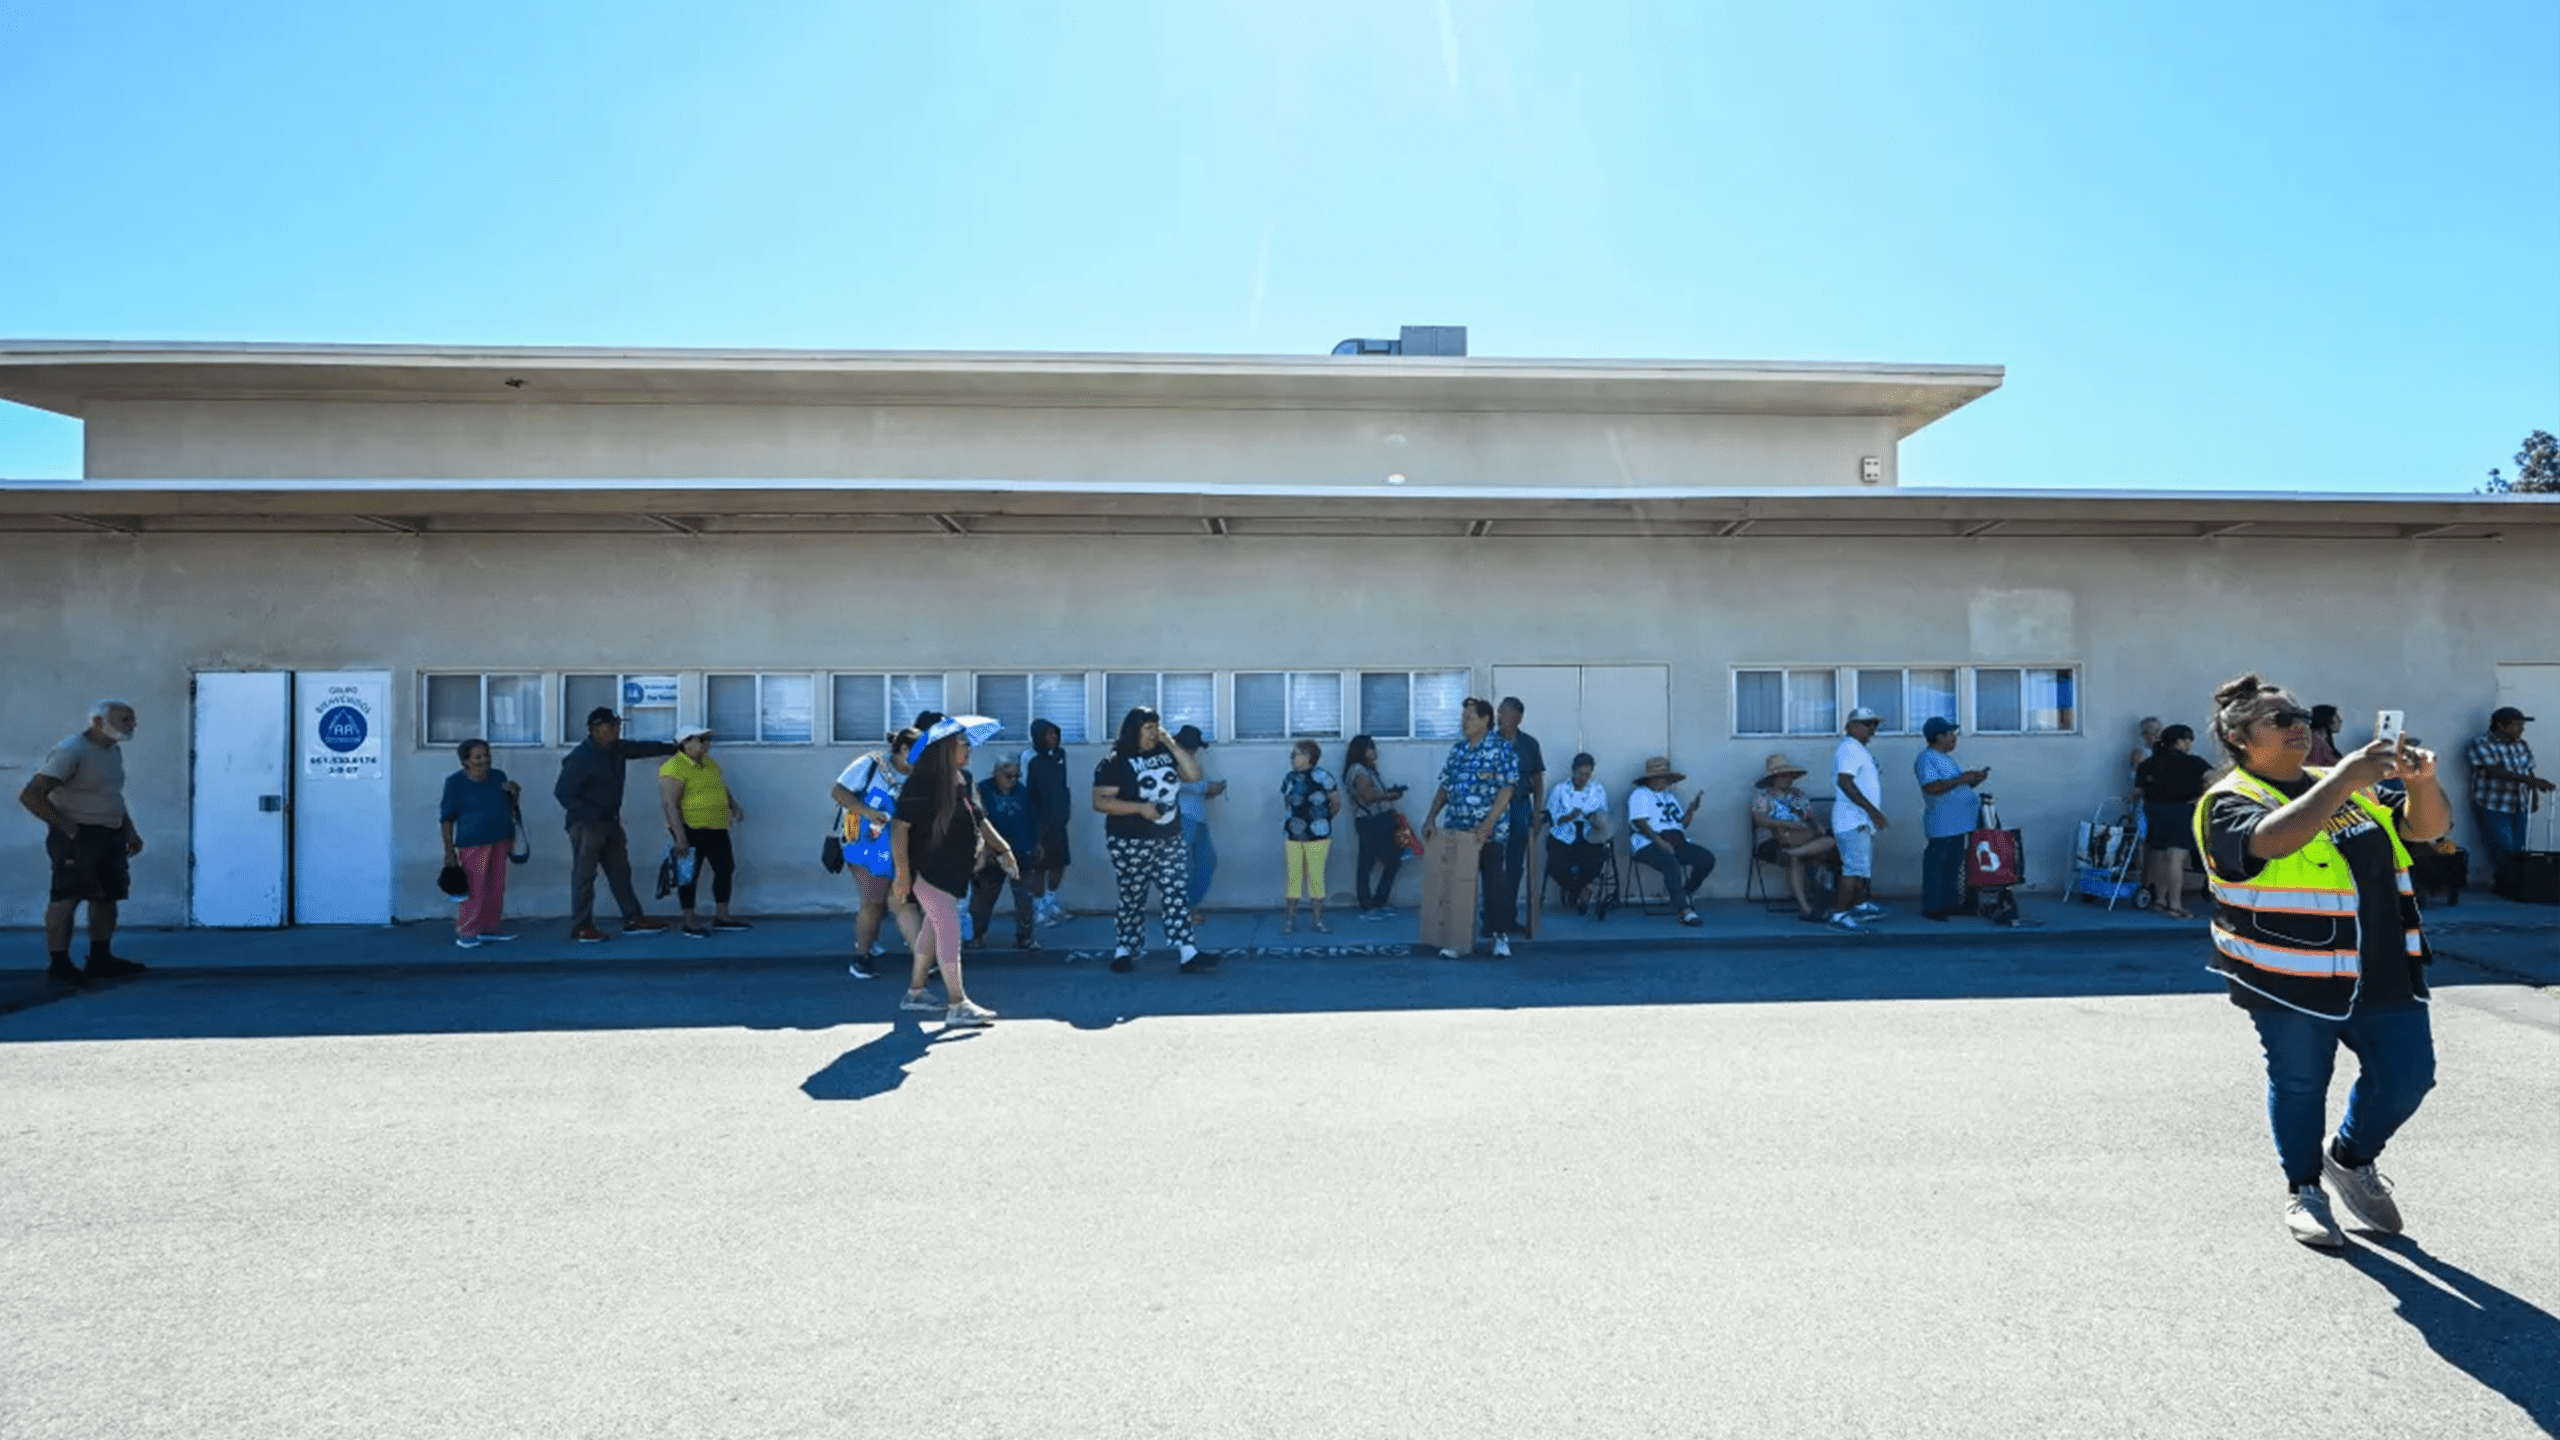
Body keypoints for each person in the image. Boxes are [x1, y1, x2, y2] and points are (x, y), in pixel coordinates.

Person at [2197, 673, 2449, 1249]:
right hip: (2290, 978)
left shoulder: (2346, 786)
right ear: (2239, 738)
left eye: (2301, 716)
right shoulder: (2229, 799)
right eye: (2279, 720)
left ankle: (2351, 1158)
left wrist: (2422, 782)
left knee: (2410, 1078)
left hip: (2382, 967)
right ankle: (2304, 1190)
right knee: (2300, 1083)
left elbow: (2428, 828)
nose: (2298, 727)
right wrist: (2343, 778)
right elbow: (2270, 842)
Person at [891, 721, 1013, 1027]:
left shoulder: (963, 779)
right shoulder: (922, 782)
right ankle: (958, 1003)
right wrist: (903, 873)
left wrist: (1003, 849)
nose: (968, 748)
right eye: (962, 743)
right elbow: (899, 828)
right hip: (928, 870)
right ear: (945, 748)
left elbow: (979, 818)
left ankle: (915, 994)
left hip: (953, 870)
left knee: (933, 929)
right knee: (948, 928)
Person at [18, 699, 148, 984]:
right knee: (67, 897)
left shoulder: (112, 751)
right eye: (124, 720)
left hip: (110, 833)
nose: (132, 725)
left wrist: (130, 831)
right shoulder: (72, 751)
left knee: (107, 896)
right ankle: (60, 963)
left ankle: (100, 959)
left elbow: (111, 794)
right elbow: (31, 795)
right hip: (78, 836)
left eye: (132, 720)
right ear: (98, 721)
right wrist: (66, 827)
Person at [1092, 707, 1217, 973]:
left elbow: (1194, 775)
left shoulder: (1164, 753)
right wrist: (1139, 808)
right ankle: (1124, 950)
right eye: (1148, 728)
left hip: (1168, 837)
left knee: (1175, 892)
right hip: (1129, 840)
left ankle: (1188, 953)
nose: (1153, 732)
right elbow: (1100, 802)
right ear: (1134, 729)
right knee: (1132, 896)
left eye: (1156, 727)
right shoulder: (1116, 761)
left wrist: (1171, 743)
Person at [553, 706, 680, 943]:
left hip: (610, 823)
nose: (615, 729)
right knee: (584, 877)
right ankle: (582, 926)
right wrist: (591, 816)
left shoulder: (617, 748)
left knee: (621, 873)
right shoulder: (581, 757)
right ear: (595, 730)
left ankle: (633, 919)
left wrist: (674, 748)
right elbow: (563, 793)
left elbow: (641, 748)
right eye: (610, 726)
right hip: (586, 826)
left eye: (617, 725)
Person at [1420, 697, 1519, 959]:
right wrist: (1431, 818)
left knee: (1494, 885)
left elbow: (1506, 789)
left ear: (1485, 719)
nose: (1464, 722)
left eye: (1470, 717)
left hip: (1490, 833)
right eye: (1463, 717)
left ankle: (1499, 937)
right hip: (1458, 831)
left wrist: (1487, 825)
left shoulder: (1501, 749)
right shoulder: (1458, 751)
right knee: (1456, 886)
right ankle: (1458, 939)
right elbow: (1445, 787)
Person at [833, 728, 930, 981]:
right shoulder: (870, 764)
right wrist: (865, 811)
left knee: (903, 903)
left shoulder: (922, 775)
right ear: (905, 750)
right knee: (873, 902)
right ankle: (862, 958)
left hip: (902, 847)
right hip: (866, 845)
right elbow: (839, 792)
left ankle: (923, 960)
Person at [657, 724, 749, 938]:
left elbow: (719, 786)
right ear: (686, 743)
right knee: (688, 876)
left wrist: (732, 805)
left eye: (707, 740)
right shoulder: (674, 767)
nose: (707, 744)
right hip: (690, 829)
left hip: (717, 827)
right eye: (701, 740)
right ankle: (690, 921)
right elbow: (670, 804)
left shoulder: (709, 764)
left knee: (725, 869)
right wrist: (680, 837)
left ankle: (723, 916)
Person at [440, 739, 523, 949]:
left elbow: (508, 807)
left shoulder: (499, 777)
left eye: (486, 755)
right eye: (478, 757)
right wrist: (449, 851)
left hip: (500, 838)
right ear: (465, 761)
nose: (484, 760)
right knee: (474, 888)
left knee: (495, 886)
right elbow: (446, 818)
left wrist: (515, 794)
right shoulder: (456, 783)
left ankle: (489, 928)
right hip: (473, 843)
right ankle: (467, 931)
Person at [1914, 717, 1989, 922]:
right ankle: (1933, 907)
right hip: (1943, 824)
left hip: (1958, 823)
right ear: (1939, 737)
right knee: (1937, 865)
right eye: (1950, 734)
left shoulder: (1945, 758)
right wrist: (1962, 779)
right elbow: (1933, 787)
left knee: (1952, 866)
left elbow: (1953, 788)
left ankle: (1950, 904)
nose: (1954, 738)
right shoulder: (1927, 758)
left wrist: (1972, 781)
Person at [2132, 723, 2210, 919]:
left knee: (2158, 855)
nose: (2191, 744)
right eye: (2189, 740)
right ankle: (2175, 906)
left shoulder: (2148, 764)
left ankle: (2160, 901)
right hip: (2180, 810)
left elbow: (2138, 792)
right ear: (2180, 741)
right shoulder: (2194, 763)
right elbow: (2215, 777)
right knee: (2175, 858)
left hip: (2154, 810)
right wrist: (2202, 797)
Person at [1750, 753, 1838, 924]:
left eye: (1789, 776)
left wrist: (1816, 823)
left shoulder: (1798, 795)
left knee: (1831, 842)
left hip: (1803, 839)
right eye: (1784, 776)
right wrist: (1785, 825)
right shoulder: (1763, 796)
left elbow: (1811, 815)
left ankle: (1795, 852)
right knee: (1798, 860)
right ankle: (1805, 907)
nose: (1788, 780)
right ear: (1774, 778)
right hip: (1774, 841)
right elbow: (1759, 819)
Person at [2463, 705, 2550, 877]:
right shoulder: (2481, 743)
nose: (2522, 729)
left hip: (2519, 803)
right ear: (2501, 726)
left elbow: (2528, 770)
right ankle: (2505, 882)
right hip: (2494, 803)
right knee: (2503, 846)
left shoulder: (2521, 745)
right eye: (2517, 725)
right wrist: (2532, 781)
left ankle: (2516, 883)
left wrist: (2534, 795)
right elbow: (2495, 771)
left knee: (2519, 848)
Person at [1626, 757, 1713, 926]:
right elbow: (1640, 823)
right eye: (1662, 778)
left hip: (1676, 840)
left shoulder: (1670, 797)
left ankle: (1684, 893)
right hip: (1648, 843)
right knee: (1670, 863)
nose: (1666, 782)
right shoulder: (1640, 794)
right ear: (1651, 778)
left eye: (1667, 778)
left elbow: (1681, 825)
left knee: (1706, 859)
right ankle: (1684, 910)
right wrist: (1659, 841)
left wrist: (1691, 811)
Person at [970, 755, 1041, 952]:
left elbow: (1032, 818)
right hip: (993, 853)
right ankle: (977, 935)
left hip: (1022, 850)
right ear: (997, 772)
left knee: (1025, 898)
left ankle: (1024, 938)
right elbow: (977, 821)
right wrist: (983, 848)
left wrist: (1037, 844)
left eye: (1017, 775)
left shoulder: (1023, 792)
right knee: (984, 897)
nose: (1013, 780)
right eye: (1009, 775)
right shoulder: (982, 790)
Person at [1827, 706, 1889, 930]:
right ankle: (1840, 915)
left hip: (1861, 821)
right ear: (1851, 726)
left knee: (1862, 867)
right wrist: (1873, 811)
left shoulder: (1859, 749)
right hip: (1852, 820)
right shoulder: (1850, 749)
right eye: (1867, 723)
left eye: (1875, 724)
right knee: (1853, 868)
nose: (1872, 728)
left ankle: (1861, 906)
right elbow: (1845, 782)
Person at [1493, 698, 1546, 937]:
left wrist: (1537, 812)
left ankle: (1509, 918)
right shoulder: (1489, 742)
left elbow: (1537, 779)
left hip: (1520, 805)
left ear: (1518, 718)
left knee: (1515, 865)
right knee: (1492, 862)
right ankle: (1491, 920)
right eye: (1500, 714)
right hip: (1493, 808)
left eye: (1507, 715)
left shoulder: (1529, 744)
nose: (1501, 719)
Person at [1343, 734, 1408, 920]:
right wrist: (1390, 797)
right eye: (1371, 748)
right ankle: (1367, 903)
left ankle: (1378, 901)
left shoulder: (1368, 770)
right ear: (1362, 751)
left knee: (1392, 859)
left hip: (1378, 819)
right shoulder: (1358, 770)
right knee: (1368, 862)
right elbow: (1366, 796)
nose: (1374, 751)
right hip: (1371, 821)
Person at [1279, 740, 1341, 934]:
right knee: (1294, 877)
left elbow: (1336, 803)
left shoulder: (1324, 777)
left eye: (1295, 754)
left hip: (1318, 836)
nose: (1292, 758)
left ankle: (1318, 920)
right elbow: (1287, 803)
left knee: (1316, 877)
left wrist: (1322, 821)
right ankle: (1290, 920)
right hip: (1294, 835)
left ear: (1308, 756)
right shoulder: (1289, 778)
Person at [1172, 723, 1228, 925]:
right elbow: (1178, 785)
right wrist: (1206, 787)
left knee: (1206, 861)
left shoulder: (1192, 763)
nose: (1193, 752)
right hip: (1183, 818)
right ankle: (1181, 909)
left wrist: (1212, 789)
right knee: (1183, 866)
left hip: (1198, 818)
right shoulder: (1171, 762)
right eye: (1191, 747)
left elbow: (1199, 786)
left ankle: (1191, 904)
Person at [1021, 718, 1075, 927]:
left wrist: (1065, 808)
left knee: (1059, 862)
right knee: (1039, 865)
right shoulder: (1030, 757)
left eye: (1055, 734)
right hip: (1037, 819)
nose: (1053, 738)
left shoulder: (1061, 755)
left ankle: (1051, 902)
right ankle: (1038, 907)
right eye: (1048, 735)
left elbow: (1063, 784)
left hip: (1058, 819)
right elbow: (1025, 789)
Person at [1543, 753, 1610, 914]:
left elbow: (1603, 816)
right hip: (1564, 835)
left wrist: (1594, 818)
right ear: (1573, 771)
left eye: (1587, 774)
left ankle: (1581, 891)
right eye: (1580, 773)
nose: (1583, 777)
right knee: (1555, 866)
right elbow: (1553, 818)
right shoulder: (1560, 790)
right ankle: (1580, 891)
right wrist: (1570, 816)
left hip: (1588, 835)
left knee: (1595, 860)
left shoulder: (1597, 789)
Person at [2127, 717, 2163, 792]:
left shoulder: (2168, 751)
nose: (2157, 733)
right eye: (2152, 730)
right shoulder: (2139, 753)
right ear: (2144, 735)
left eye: (2158, 730)